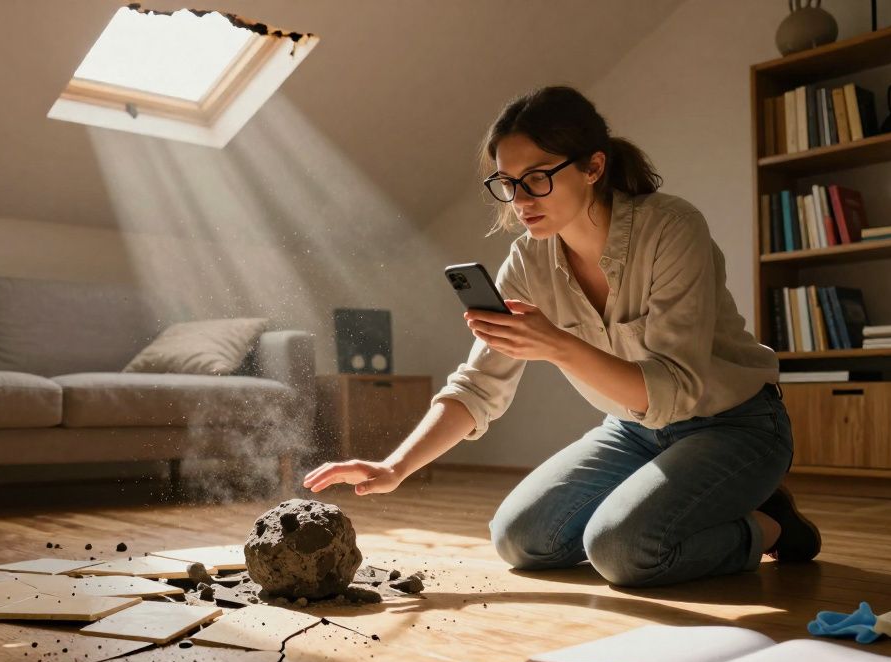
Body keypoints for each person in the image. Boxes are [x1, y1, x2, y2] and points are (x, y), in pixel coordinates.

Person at [302, 85, 820, 588]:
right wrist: (396, 466)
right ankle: (691, 505)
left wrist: (557, 345)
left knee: (621, 550)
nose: (520, 199)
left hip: (734, 425)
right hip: (634, 431)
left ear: (593, 167)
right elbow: (481, 386)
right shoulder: (527, 261)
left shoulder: (672, 228)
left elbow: (675, 389)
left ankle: (769, 524)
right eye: (506, 182)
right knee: (519, 540)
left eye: (537, 178)